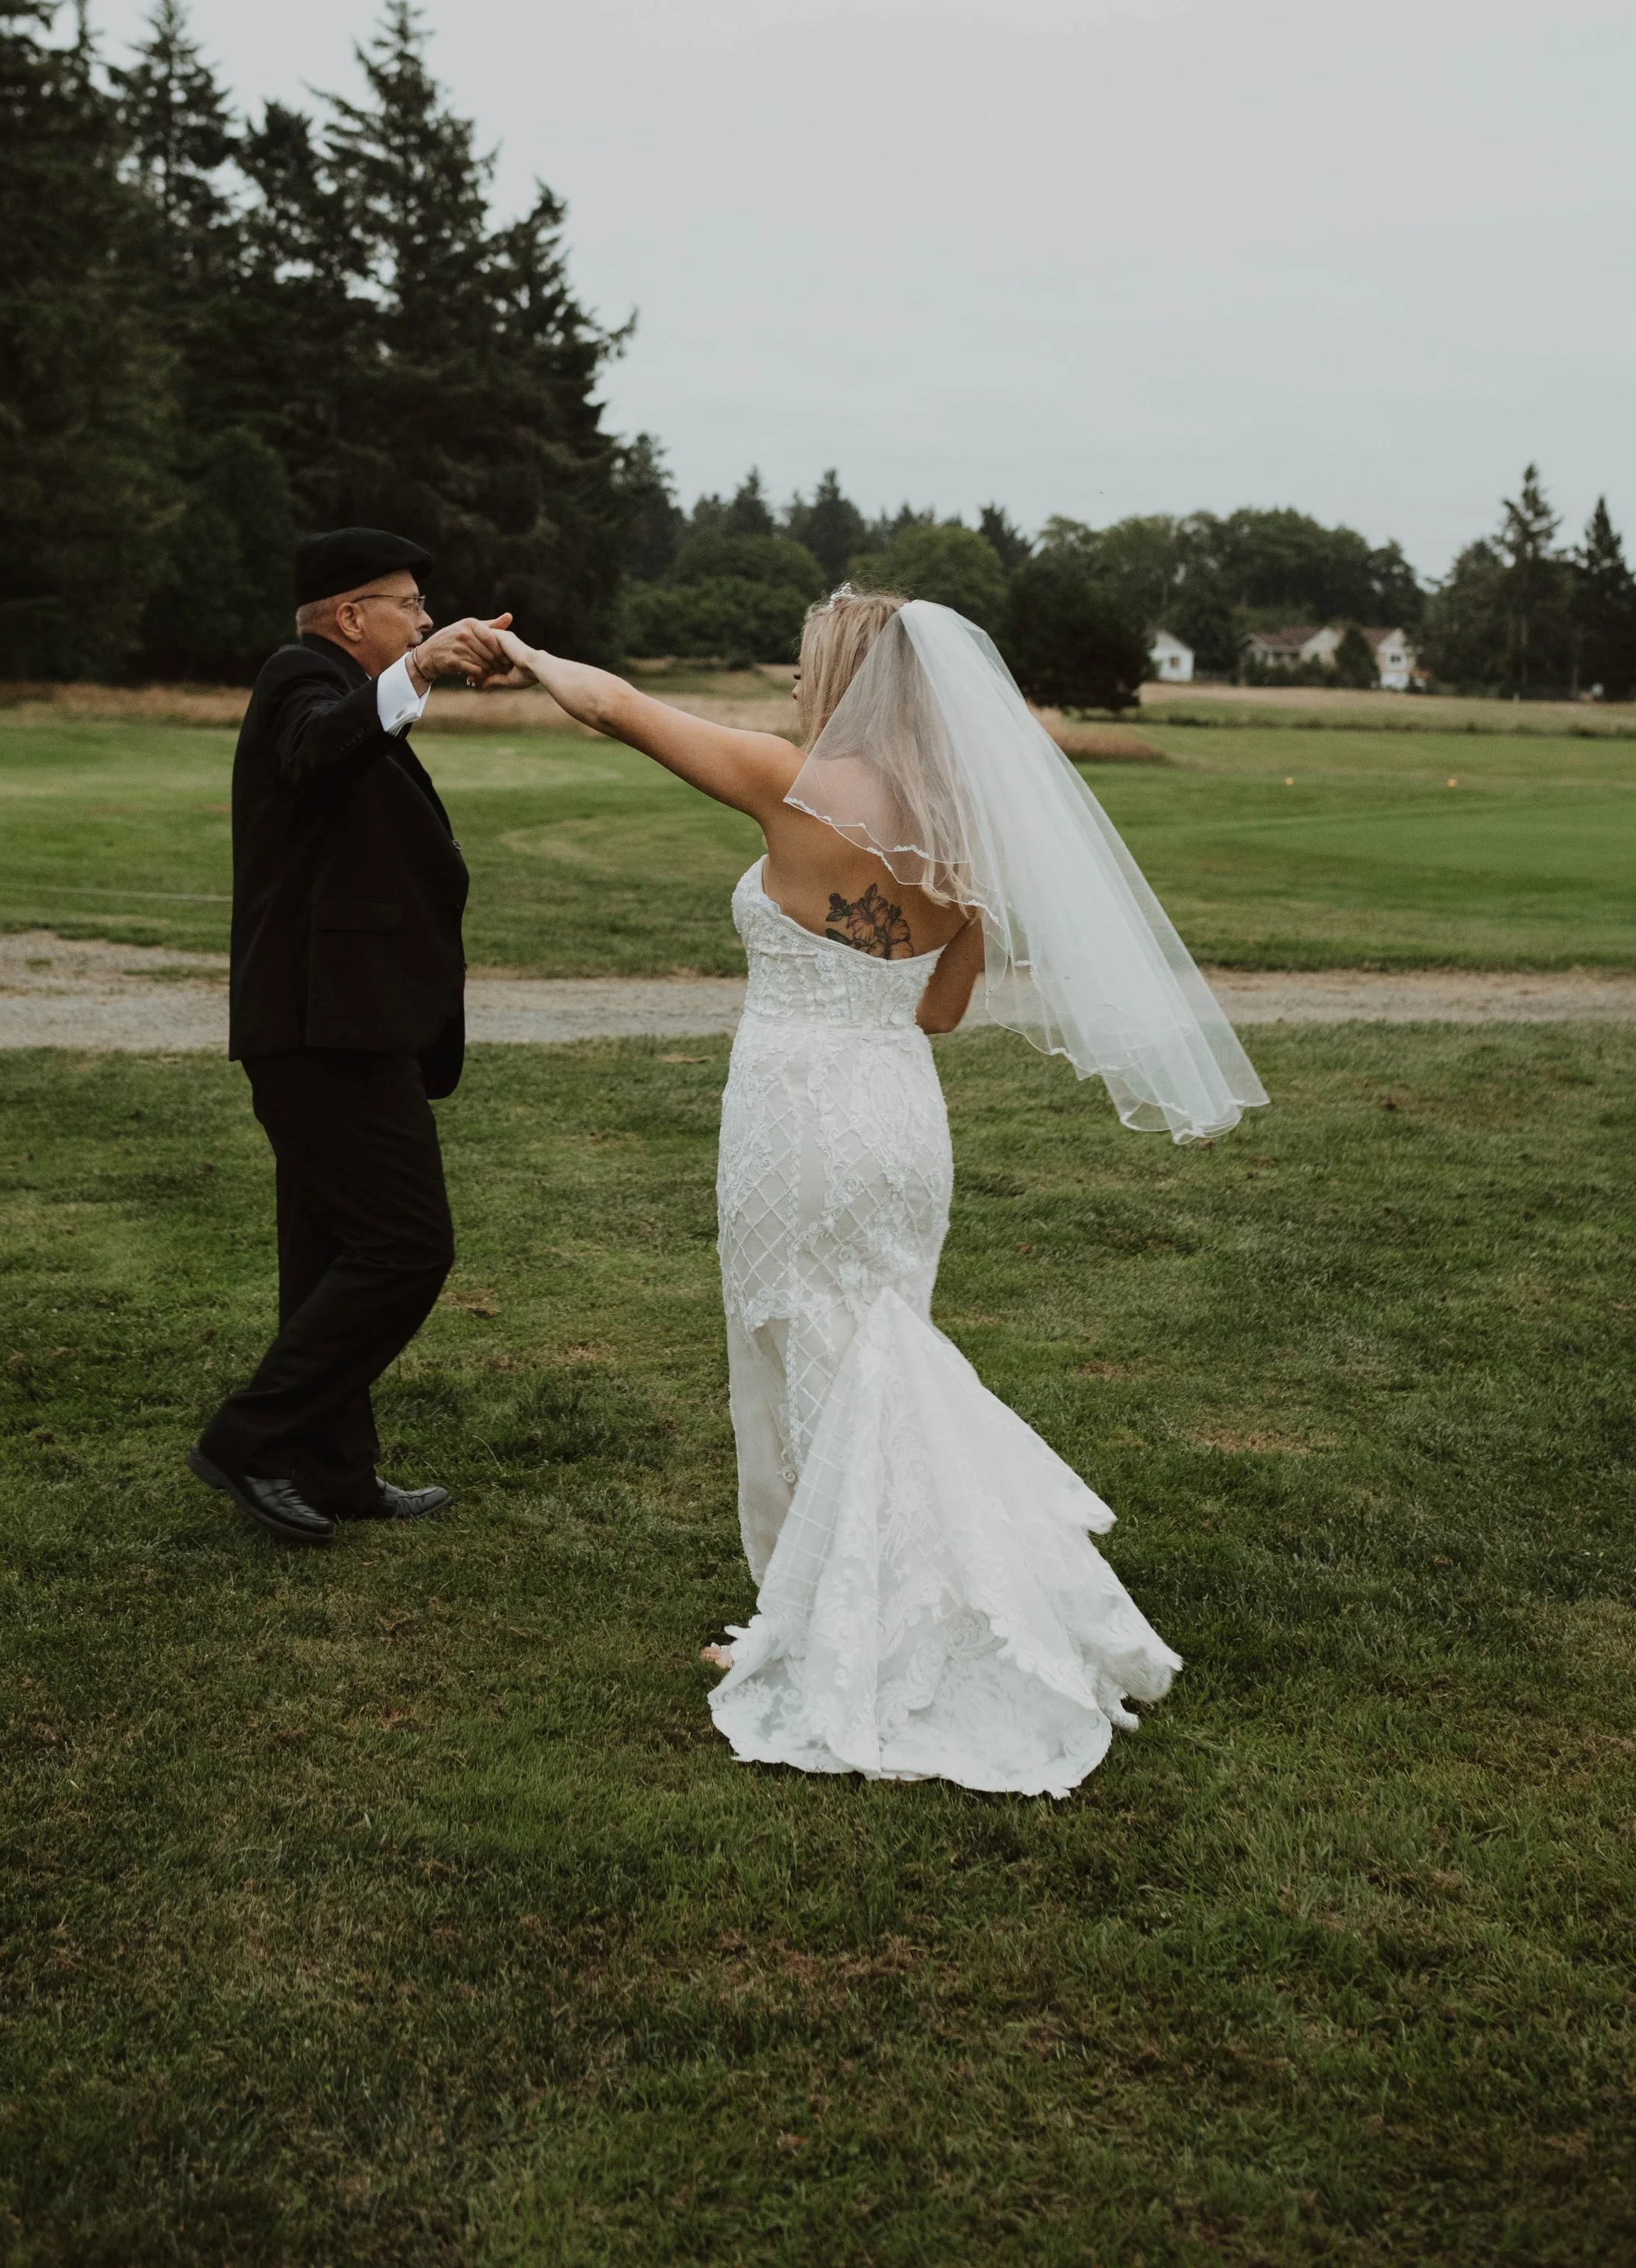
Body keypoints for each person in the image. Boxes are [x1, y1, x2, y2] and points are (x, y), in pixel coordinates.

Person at [504, 587, 1268, 1796]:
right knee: (878, 1349)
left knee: (792, 1353)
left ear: (843, 677)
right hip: (900, 1115)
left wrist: (522, 648)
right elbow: (943, 1008)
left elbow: (616, 708)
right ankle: (863, 1594)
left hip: (797, 1111)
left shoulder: (791, 779)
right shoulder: (968, 836)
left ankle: (816, 1621)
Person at [190, 528, 516, 1550]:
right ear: (349, 615)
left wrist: (419, 673)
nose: (424, 619)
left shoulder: (348, 698)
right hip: (316, 1030)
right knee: (408, 1244)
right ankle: (249, 1438)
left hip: (351, 1025)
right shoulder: (300, 680)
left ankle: (332, 1469)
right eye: (410, 605)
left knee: (327, 1249)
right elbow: (317, 748)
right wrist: (417, 669)